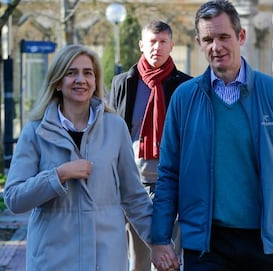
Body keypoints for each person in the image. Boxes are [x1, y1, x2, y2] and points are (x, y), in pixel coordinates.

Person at [150, 1, 273, 270]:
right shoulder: (184, 98)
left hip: (265, 244)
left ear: (241, 36)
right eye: (208, 39)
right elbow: (169, 173)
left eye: (224, 36)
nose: (217, 46)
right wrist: (160, 238)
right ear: (199, 42)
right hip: (205, 244)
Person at [3, 44, 152, 271]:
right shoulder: (35, 130)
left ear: (95, 81)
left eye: (88, 73)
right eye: (71, 73)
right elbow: (14, 198)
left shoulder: (115, 127)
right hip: (53, 259)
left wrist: (160, 244)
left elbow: (134, 197)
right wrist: (58, 175)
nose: (81, 79)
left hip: (106, 259)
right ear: (58, 82)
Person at [109, 20, 191, 271]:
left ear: (172, 45)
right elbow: (112, 130)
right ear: (142, 45)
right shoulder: (124, 83)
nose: (157, 47)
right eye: (152, 42)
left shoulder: (187, 86)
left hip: (171, 184)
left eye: (163, 41)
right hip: (132, 184)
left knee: (170, 262)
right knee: (138, 261)